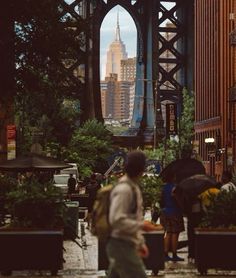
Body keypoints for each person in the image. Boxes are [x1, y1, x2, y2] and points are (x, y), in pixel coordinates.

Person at [106, 151, 159, 278]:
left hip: (124, 243)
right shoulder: (125, 190)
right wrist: (142, 225)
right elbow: (116, 219)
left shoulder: (132, 187)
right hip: (121, 245)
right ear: (141, 169)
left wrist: (139, 243)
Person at [160, 175, 185, 262]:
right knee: (175, 233)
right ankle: (174, 254)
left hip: (165, 212)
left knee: (168, 233)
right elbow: (178, 200)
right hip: (175, 212)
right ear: (173, 178)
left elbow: (161, 201)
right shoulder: (176, 188)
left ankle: (165, 254)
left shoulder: (163, 187)